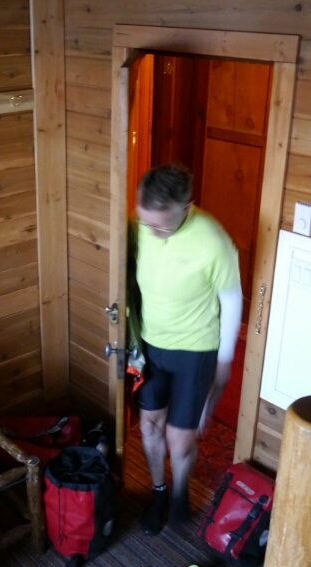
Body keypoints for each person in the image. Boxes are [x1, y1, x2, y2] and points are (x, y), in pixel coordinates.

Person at [132, 164, 243, 535]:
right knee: (149, 425)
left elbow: (232, 300)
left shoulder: (213, 240)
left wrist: (224, 364)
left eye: (161, 227)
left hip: (195, 351)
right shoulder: (141, 226)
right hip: (151, 345)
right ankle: (158, 492)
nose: (152, 232)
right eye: (146, 222)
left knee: (179, 442)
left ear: (186, 207)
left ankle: (180, 491)